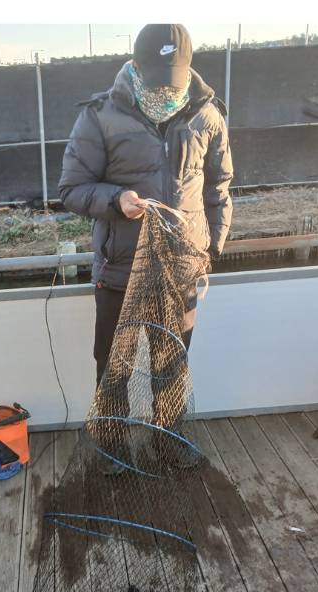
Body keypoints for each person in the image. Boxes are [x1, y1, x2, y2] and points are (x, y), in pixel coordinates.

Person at [58, 23, 233, 389]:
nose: (164, 90)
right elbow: (72, 189)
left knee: (170, 373)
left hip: (181, 273)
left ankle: (165, 428)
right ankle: (112, 427)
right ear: (136, 67)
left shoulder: (208, 115)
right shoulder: (99, 115)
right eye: (155, 80)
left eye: (173, 79)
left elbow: (218, 187)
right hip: (119, 272)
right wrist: (116, 200)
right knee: (113, 375)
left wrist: (211, 247)